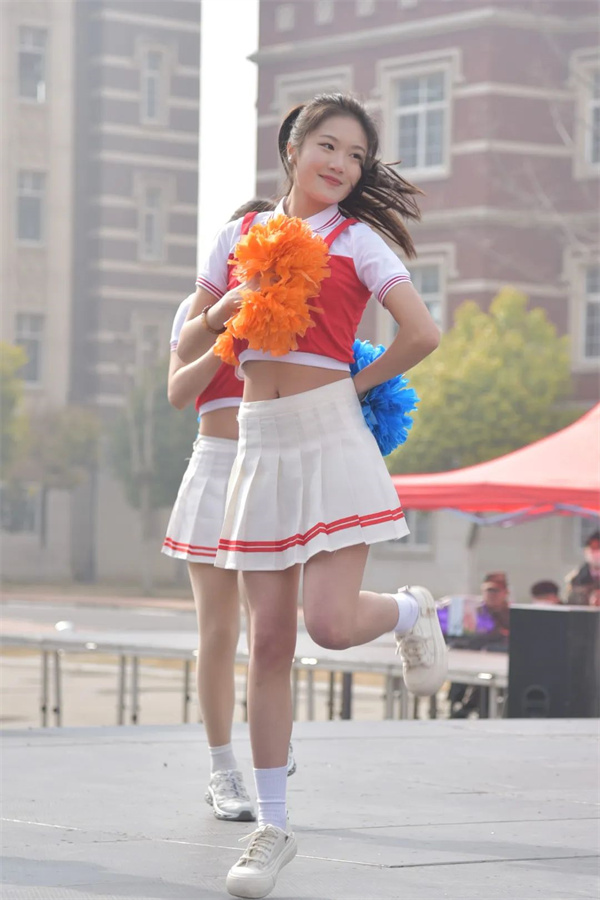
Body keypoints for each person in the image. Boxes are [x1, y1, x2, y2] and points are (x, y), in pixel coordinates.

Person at [178, 94, 447, 899]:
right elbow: (189, 345)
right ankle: (272, 826)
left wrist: (352, 388)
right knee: (267, 643)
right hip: (257, 443)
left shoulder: (358, 239)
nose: (341, 164)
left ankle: (407, 612)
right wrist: (221, 309)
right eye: (328, 146)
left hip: (331, 437)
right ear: (292, 148)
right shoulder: (237, 235)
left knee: (327, 626)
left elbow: (422, 332)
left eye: (356, 156)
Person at [162, 199, 297, 825]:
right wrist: (227, 331)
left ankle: (273, 733)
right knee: (219, 631)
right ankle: (222, 770)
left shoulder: (299, 303)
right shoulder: (200, 311)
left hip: (272, 465)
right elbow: (176, 392)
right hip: (216, 464)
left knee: (273, 627)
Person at [446, 572, 510, 719]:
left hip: (497, 665)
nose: (492, 595)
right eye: (488, 590)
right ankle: (458, 705)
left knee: (485, 681)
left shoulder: (509, 614)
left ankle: (468, 708)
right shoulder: (473, 611)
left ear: (505, 593)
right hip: (470, 661)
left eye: (496, 591)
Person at [566, 530, 600, 606]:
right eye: (593, 548)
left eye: (598, 547)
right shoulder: (575, 578)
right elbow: (571, 602)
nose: (596, 552)